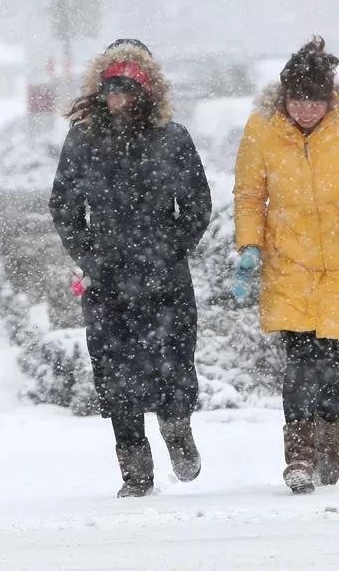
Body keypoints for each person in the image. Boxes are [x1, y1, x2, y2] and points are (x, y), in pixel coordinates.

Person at [49, 38, 212, 497]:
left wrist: (172, 248)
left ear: (146, 92)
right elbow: (64, 204)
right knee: (114, 373)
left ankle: (177, 430)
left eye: (126, 90)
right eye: (110, 89)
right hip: (108, 281)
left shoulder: (172, 138)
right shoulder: (82, 140)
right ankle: (135, 471)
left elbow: (197, 203)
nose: (117, 99)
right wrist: (91, 256)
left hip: (166, 280)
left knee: (174, 364)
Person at [232, 36, 339, 494]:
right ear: (284, 97)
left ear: (329, 97)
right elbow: (248, 195)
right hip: (289, 265)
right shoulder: (261, 128)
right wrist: (249, 249)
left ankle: (328, 445)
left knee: (330, 365)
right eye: (297, 100)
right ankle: (299, 457)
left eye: (314, 101)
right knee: (300, 362)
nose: (304, 110)